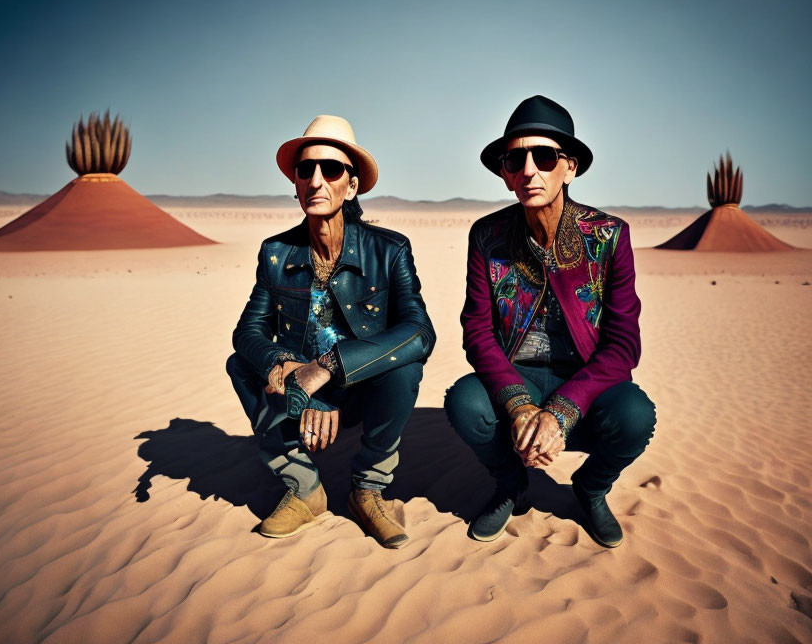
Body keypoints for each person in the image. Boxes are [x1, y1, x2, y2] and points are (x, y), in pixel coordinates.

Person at [444, 95, 656, 547]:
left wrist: (561, 412)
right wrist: (519, 403)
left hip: (586, 377)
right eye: (514, 160)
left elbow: (623, 345)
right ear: (504, 173)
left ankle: (591, 488)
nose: (528, 170)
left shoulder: (608, 236)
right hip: (517, 371)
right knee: (465, 402)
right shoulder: (487, 235)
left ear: (570, 167)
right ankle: (510, 485)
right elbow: (477, 329)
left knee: (636, 416)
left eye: (543, 157)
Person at [227, 115, 435, 549]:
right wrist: (282, 364)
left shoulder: (389, 250)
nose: (317, 181)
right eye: (306, 170)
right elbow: (247, 331)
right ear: (296, 184)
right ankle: (305, 490)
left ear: (352, 186)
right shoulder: (276, 253)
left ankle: (367, 490)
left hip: (361, 386)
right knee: (241, 365)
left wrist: (327, 368)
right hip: (301, 389)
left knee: (405, 369)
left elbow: (419, 332)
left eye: (331, 170)